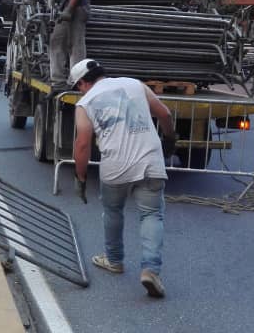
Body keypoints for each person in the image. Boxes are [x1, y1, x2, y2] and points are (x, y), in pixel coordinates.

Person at [70, 59, 176, 299]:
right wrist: (169, 139)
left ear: (83, 83)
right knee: (151, 214)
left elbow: (83, 143)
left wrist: (81, 177)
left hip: (115, 166)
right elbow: (165, 114)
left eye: (78, 86)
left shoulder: (85, 103)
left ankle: (114, 260)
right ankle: (150, 270)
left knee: (113, 210)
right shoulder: (135, 84)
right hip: (150, 161)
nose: (80, 90)